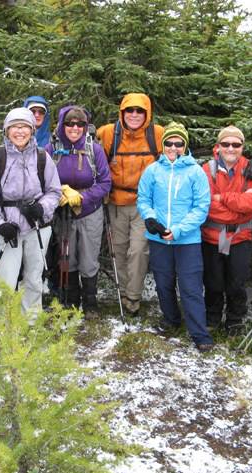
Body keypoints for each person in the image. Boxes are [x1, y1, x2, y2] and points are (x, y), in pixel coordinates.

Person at [0, 107, 61, 312]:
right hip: (7, 227)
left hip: (37, 225)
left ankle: (31, 320)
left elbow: (54, 191)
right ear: (6, 130)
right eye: (14, 126)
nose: (20, 131)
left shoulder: (42, 157)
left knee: (34, 278)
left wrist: (42, 208)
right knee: (5, 280)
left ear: (32, 130)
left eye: (24, 126)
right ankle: (3, 322)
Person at [137, 122, 213, 352]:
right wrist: (151, 219)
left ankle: (200, 333)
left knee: (190, 286)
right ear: (163, 145)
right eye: (168, 143)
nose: (173, 148)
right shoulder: (153, 170)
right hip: (159, 238)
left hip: (187, 240)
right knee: (163, 283)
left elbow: (201, 207)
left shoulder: (195, 172)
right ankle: (171, 320)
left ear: (185, 145)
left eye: (178, 143)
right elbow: (143, 199)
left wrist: (178, 230)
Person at [97, 93, 164, 314]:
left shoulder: (157, 134)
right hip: (116, 202)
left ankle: (133, 297)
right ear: (122, 112)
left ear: (147, 113)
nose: (134, 115)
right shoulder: (108, 133)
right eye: (129, 110)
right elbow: (91, 156)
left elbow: (178, 153)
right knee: (118, 249)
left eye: (139, 111)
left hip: (144, 204)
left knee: (138, 251)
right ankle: (123, 292)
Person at [46, 106, 111, 320]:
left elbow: (105, 182)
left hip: (90, 211)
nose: (75, 128)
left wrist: (83, 197)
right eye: (70, 123)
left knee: (89, 259)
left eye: (80, 124)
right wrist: (60, 192)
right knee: (67, 257)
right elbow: (42, 180)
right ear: (61, 125)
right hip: (62, 212)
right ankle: (72, 300)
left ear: (85, 126)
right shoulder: (51, 149)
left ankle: (90, 303)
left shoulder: (94, 150)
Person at [201, 126, 252, 335]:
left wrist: (223, 198)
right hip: (212, 237)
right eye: (226, 144)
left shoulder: (251, 170)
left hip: (240, 237)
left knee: (237, 282)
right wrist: (238, 207)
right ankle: (212, 317)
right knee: (213, 282)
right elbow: (207, 204)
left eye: (236, 144)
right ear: (218, 146)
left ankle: (235, 320)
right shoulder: (207, 170)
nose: (230, 148)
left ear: (242, 147)